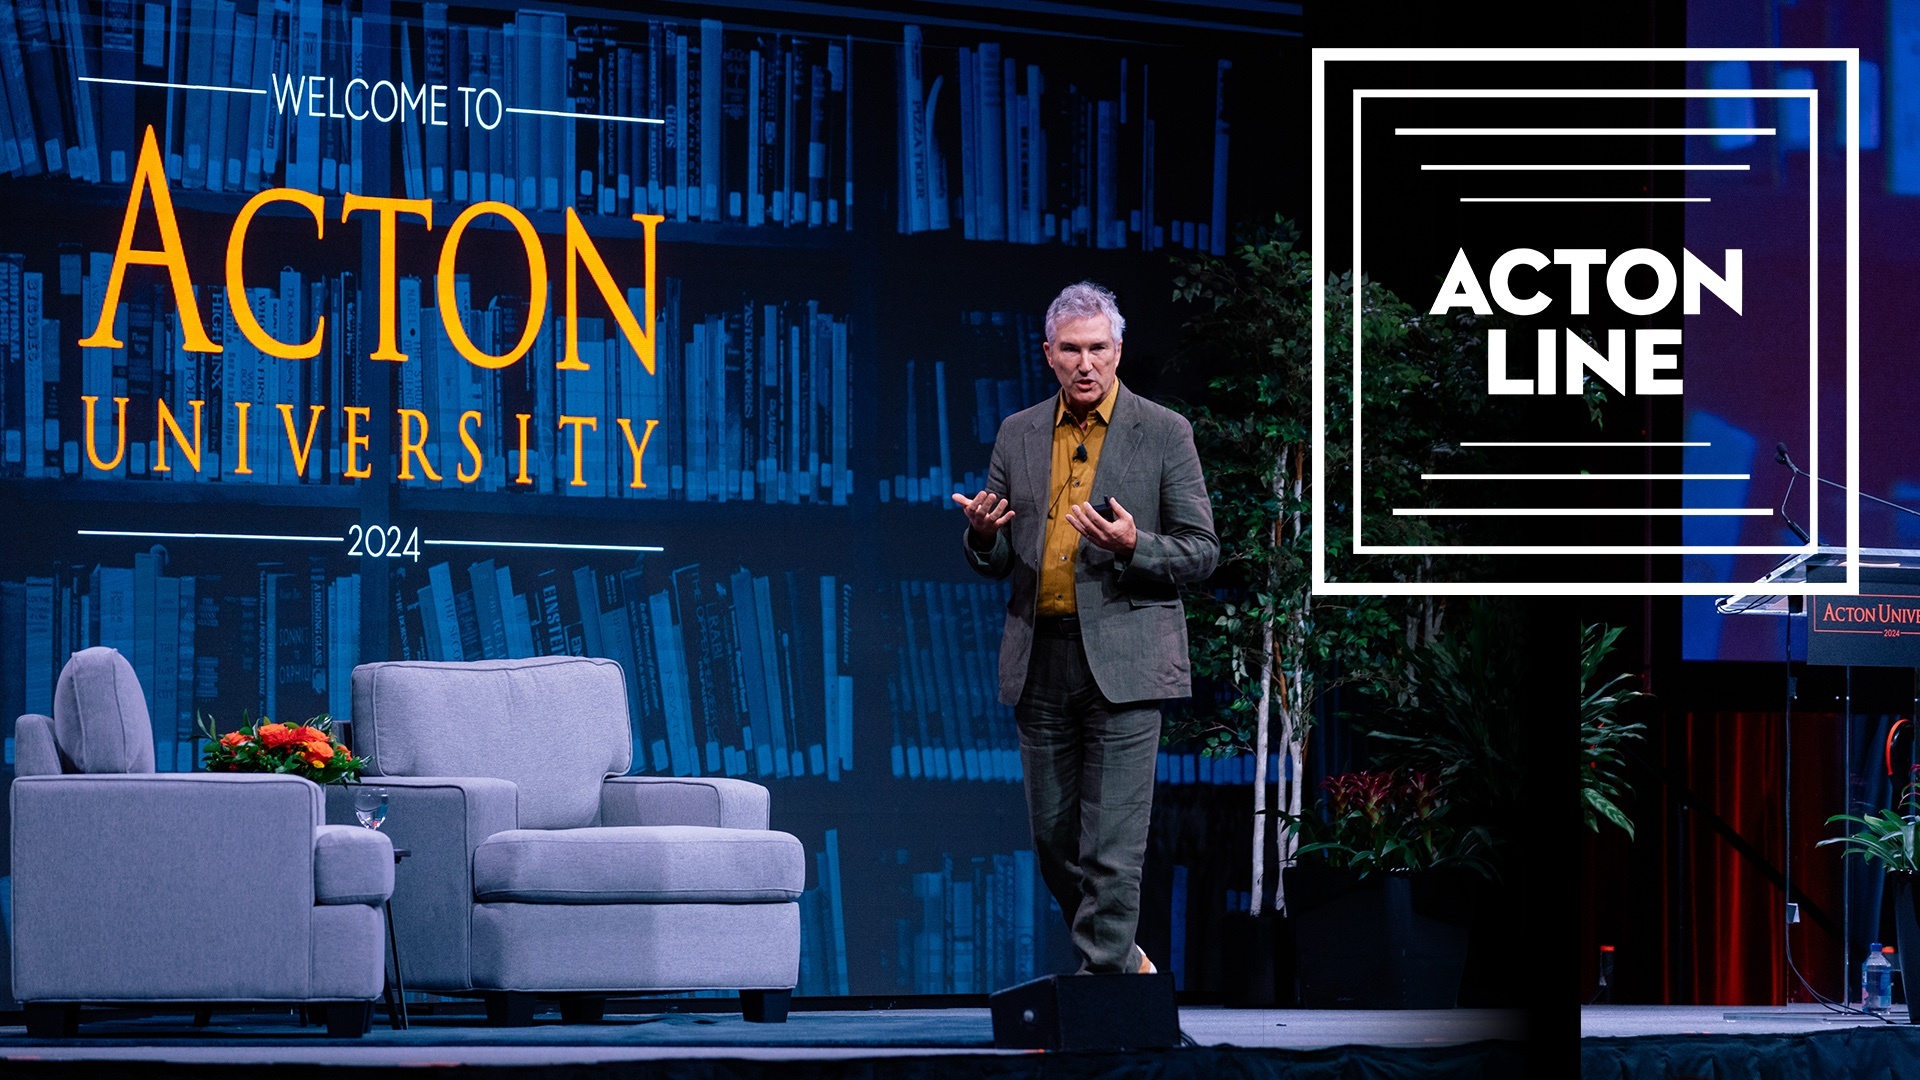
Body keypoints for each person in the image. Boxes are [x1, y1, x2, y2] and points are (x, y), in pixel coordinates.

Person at [953, 281, 1218, 976]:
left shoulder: (1164, 432)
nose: (1085, 363)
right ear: (1048, 354)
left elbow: (1201, 551)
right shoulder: (1018, 432)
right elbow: (999, 558)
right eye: (1071, 349)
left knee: (1113, 847)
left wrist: (1135, 545)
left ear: (1118, 350)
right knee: (1053, 841)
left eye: (1098, 348)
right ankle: (1123, 959)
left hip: (1126, 660)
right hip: (1041, 659)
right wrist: (983, 536)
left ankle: (1103, 991)